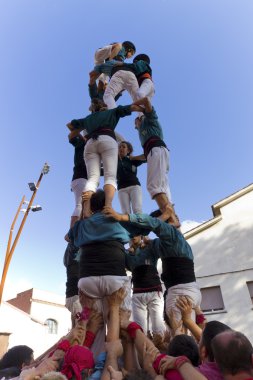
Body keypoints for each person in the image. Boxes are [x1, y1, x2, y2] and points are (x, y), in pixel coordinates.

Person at [103, 205, 201, 337]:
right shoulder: (164, 243)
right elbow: (141, 235)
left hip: (180, 294)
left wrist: (121, 217)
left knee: (180, 338)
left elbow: (152, 223)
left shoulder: (172, 236)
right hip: (187, 291)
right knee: (185, 336)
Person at [65, 190, 132, 356]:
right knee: (120, 319)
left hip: (87, 281)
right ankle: (116, 363)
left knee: (94, 323)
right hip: (114, 277)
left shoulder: (82, 225)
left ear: (91, 206)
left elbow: (68, 237)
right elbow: (129, 237)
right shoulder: (115, 220)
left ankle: (87, 361)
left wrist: (84, 211)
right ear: (107, 204)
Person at [67, 98, 144, 210]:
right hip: (107, 139)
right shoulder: (110, 112)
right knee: (110, 177)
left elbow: (70, 126)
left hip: (90, 143)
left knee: (92, 179)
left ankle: (87, 209)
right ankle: (107, 207)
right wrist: (144, 110)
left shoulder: (88, 118)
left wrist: (83, 135)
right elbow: (131, 107)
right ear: (104, 106)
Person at [133, 97, 178, 224]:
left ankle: (171, 218)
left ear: (141, 118)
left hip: (157, 150)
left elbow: (146, 101)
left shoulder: (150, 120)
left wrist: (135, 105)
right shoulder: (141, 133)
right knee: (163, 187)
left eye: (137, 119)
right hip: (157, 152)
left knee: (153, 186)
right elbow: (146, 155)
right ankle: (174, 218)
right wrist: (132, 158)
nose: (135, 123)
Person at [125, 235, 166, 343]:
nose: (132, 237)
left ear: (142, 236)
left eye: (135, 234)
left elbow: (161, 248)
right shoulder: (128, 254)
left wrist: (150, 241)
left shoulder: (149, 247)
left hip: (154, 291)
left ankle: (159, 353)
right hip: (138, 293)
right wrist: (130, 252)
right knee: (140, 332)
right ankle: (145, 354)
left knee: (159, 330)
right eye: (130, 235)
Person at [117, 141, 145, 214]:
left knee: (137, 210)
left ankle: (139, 225)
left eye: (123, 147)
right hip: (122, 189)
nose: (121, 148)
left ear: (128, 150)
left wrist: (133, 157)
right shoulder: (114, 161)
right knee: (125, 213)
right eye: (119, 147)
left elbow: (146, 157)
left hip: (134, 186)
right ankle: (128, 226)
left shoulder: (132, 160)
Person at [67, 131, 87, 228]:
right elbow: (70, 136)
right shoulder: (82, 143)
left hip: (79, 179)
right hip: (81, 178)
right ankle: (72, 233)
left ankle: (76, 232)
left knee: (83, 206)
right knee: (80, 205)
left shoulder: (92, 148)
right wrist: (81, 136)